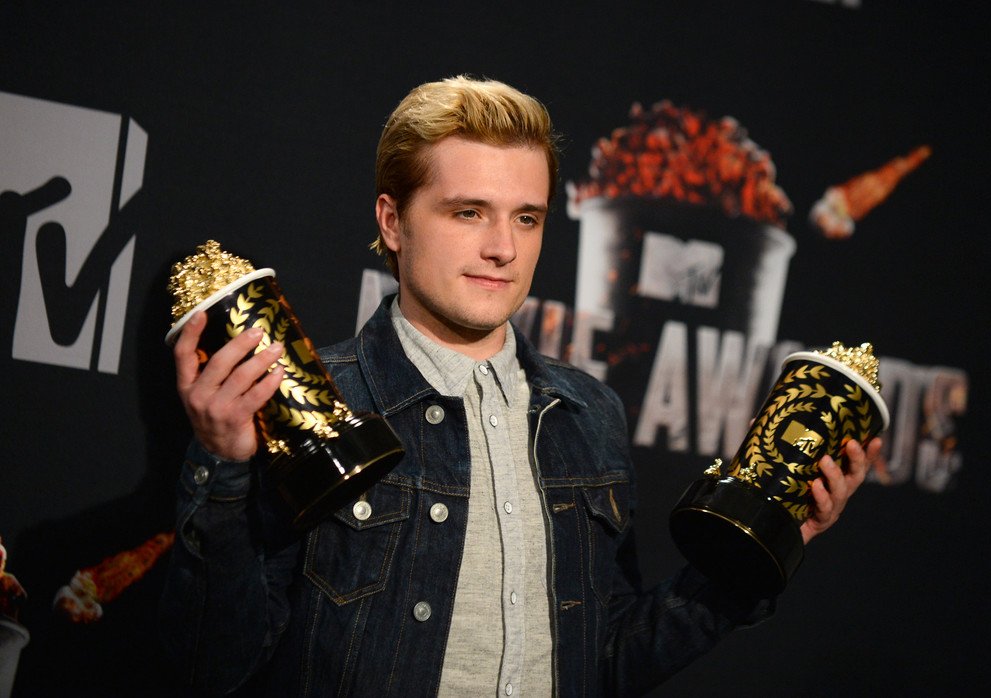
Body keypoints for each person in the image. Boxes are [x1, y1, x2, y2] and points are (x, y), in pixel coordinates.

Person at [160, 75, 883, 696]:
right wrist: (222, 465)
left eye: (526, 218)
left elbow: (605, 660)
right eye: (468, 212)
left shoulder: (588, 415)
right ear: (393, 222)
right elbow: (211, 665)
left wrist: (760, 548)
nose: (503, 248)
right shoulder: (303, 404)